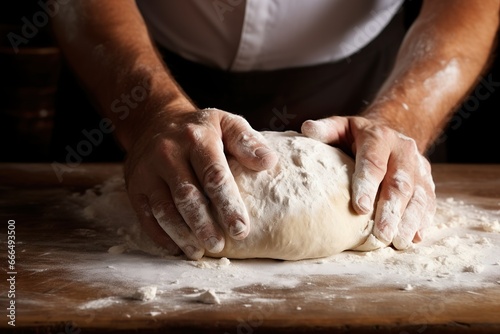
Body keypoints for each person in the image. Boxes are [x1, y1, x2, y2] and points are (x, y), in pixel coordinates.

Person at [51, 0, 499, 260]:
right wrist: (148, 113)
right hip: (137, 61)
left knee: (377, 194)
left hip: (364, 78)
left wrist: (401, 118)